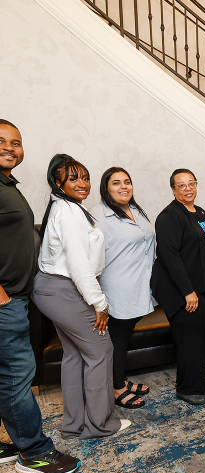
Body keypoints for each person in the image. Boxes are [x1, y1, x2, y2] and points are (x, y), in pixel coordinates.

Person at [0, 120, 80, 473]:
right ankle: (34, 452)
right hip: (5, 302)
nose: (10, 147)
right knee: (17, 376)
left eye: (16, 142)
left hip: (15, 297)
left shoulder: (7, 185)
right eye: (1, 141)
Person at [33, 154, 129, 440]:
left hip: (51, 289)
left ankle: (74, 425)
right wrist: (100, 304)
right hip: (64, 289)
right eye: (73, 178)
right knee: (101, 352)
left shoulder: (63, 207)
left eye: (85, 177)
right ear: (58, 182)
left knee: (74, 355)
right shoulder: (70, 211)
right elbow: (78, 264)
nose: (83, 183)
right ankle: (100, 425)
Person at [151, 169, 205, 406]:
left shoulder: (199, 212)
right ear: (173, 189)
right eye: (181, 185)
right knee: (189, 337)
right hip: (182, 288)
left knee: (197, 336)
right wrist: (188, 291)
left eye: (192, 183)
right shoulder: (169, 216)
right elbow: (170, 257)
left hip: (202, 284)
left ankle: (195, 379)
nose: (188, 188)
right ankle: (188, 388)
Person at [89, 167, 155, 410]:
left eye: (127, 181)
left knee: (123, 336)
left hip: (139, 284)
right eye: (116, 183)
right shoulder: (97, 214)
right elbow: (90, 255)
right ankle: (116, 387)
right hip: (117, 286)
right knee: (118, 338)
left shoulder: (134, 209)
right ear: (106, 188)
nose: (123, 186)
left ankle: (120, 379)